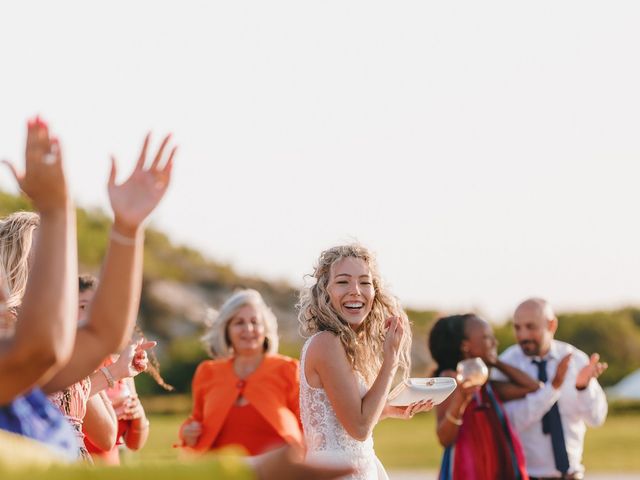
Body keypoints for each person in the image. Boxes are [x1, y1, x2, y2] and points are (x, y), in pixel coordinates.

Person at [0, 120, 176, 460]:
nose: (61, 273)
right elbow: (52, 345)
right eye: (46, 260)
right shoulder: (19, 342)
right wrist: (55, 208)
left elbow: (104, 333)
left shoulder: (36, 346)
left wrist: (127, 228)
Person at [297, 244, 433, 480]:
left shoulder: (346, 345)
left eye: (364, 282)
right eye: (342, 282)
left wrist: (389, 409)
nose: (355, 291)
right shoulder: (326, 343)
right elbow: (359, 428)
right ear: (324, 291)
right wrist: (390, 359)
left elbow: (346, 421)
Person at [0, 117, 80, 459]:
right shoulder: (20, 330)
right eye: (39, 252)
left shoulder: (56, 326)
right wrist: (56, 209)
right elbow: (46, 350)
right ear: (14, 260)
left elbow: (104, 335)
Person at [492, 298, 608, 480]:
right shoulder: (506, 366)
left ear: (551, 325)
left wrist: (583, 388)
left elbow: (596, 419)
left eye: (531, 327)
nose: (523, 335)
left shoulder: (576, 360)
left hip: (572, 475)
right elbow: (509, 423)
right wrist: (552, 389)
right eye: (517, 327)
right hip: (524, 475)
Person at [180, 289, 303, 455]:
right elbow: (196, 420)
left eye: (255, 322)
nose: (248, 328)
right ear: (226, 330)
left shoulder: (288, 369)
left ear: (265, 329)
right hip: (222, 470)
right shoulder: (207, 372)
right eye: (239, 323)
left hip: (277, 470)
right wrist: (187, 432)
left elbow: (309, 426)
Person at [429, 314, 538, 480]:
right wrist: (460, 400)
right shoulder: (449, 379)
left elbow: (531, 386)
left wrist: (495, 362)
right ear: (466, 346)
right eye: (487, 337)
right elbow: (444, 438)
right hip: (466, 470)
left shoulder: (485, 385)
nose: (495, 342)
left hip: (492, 468)